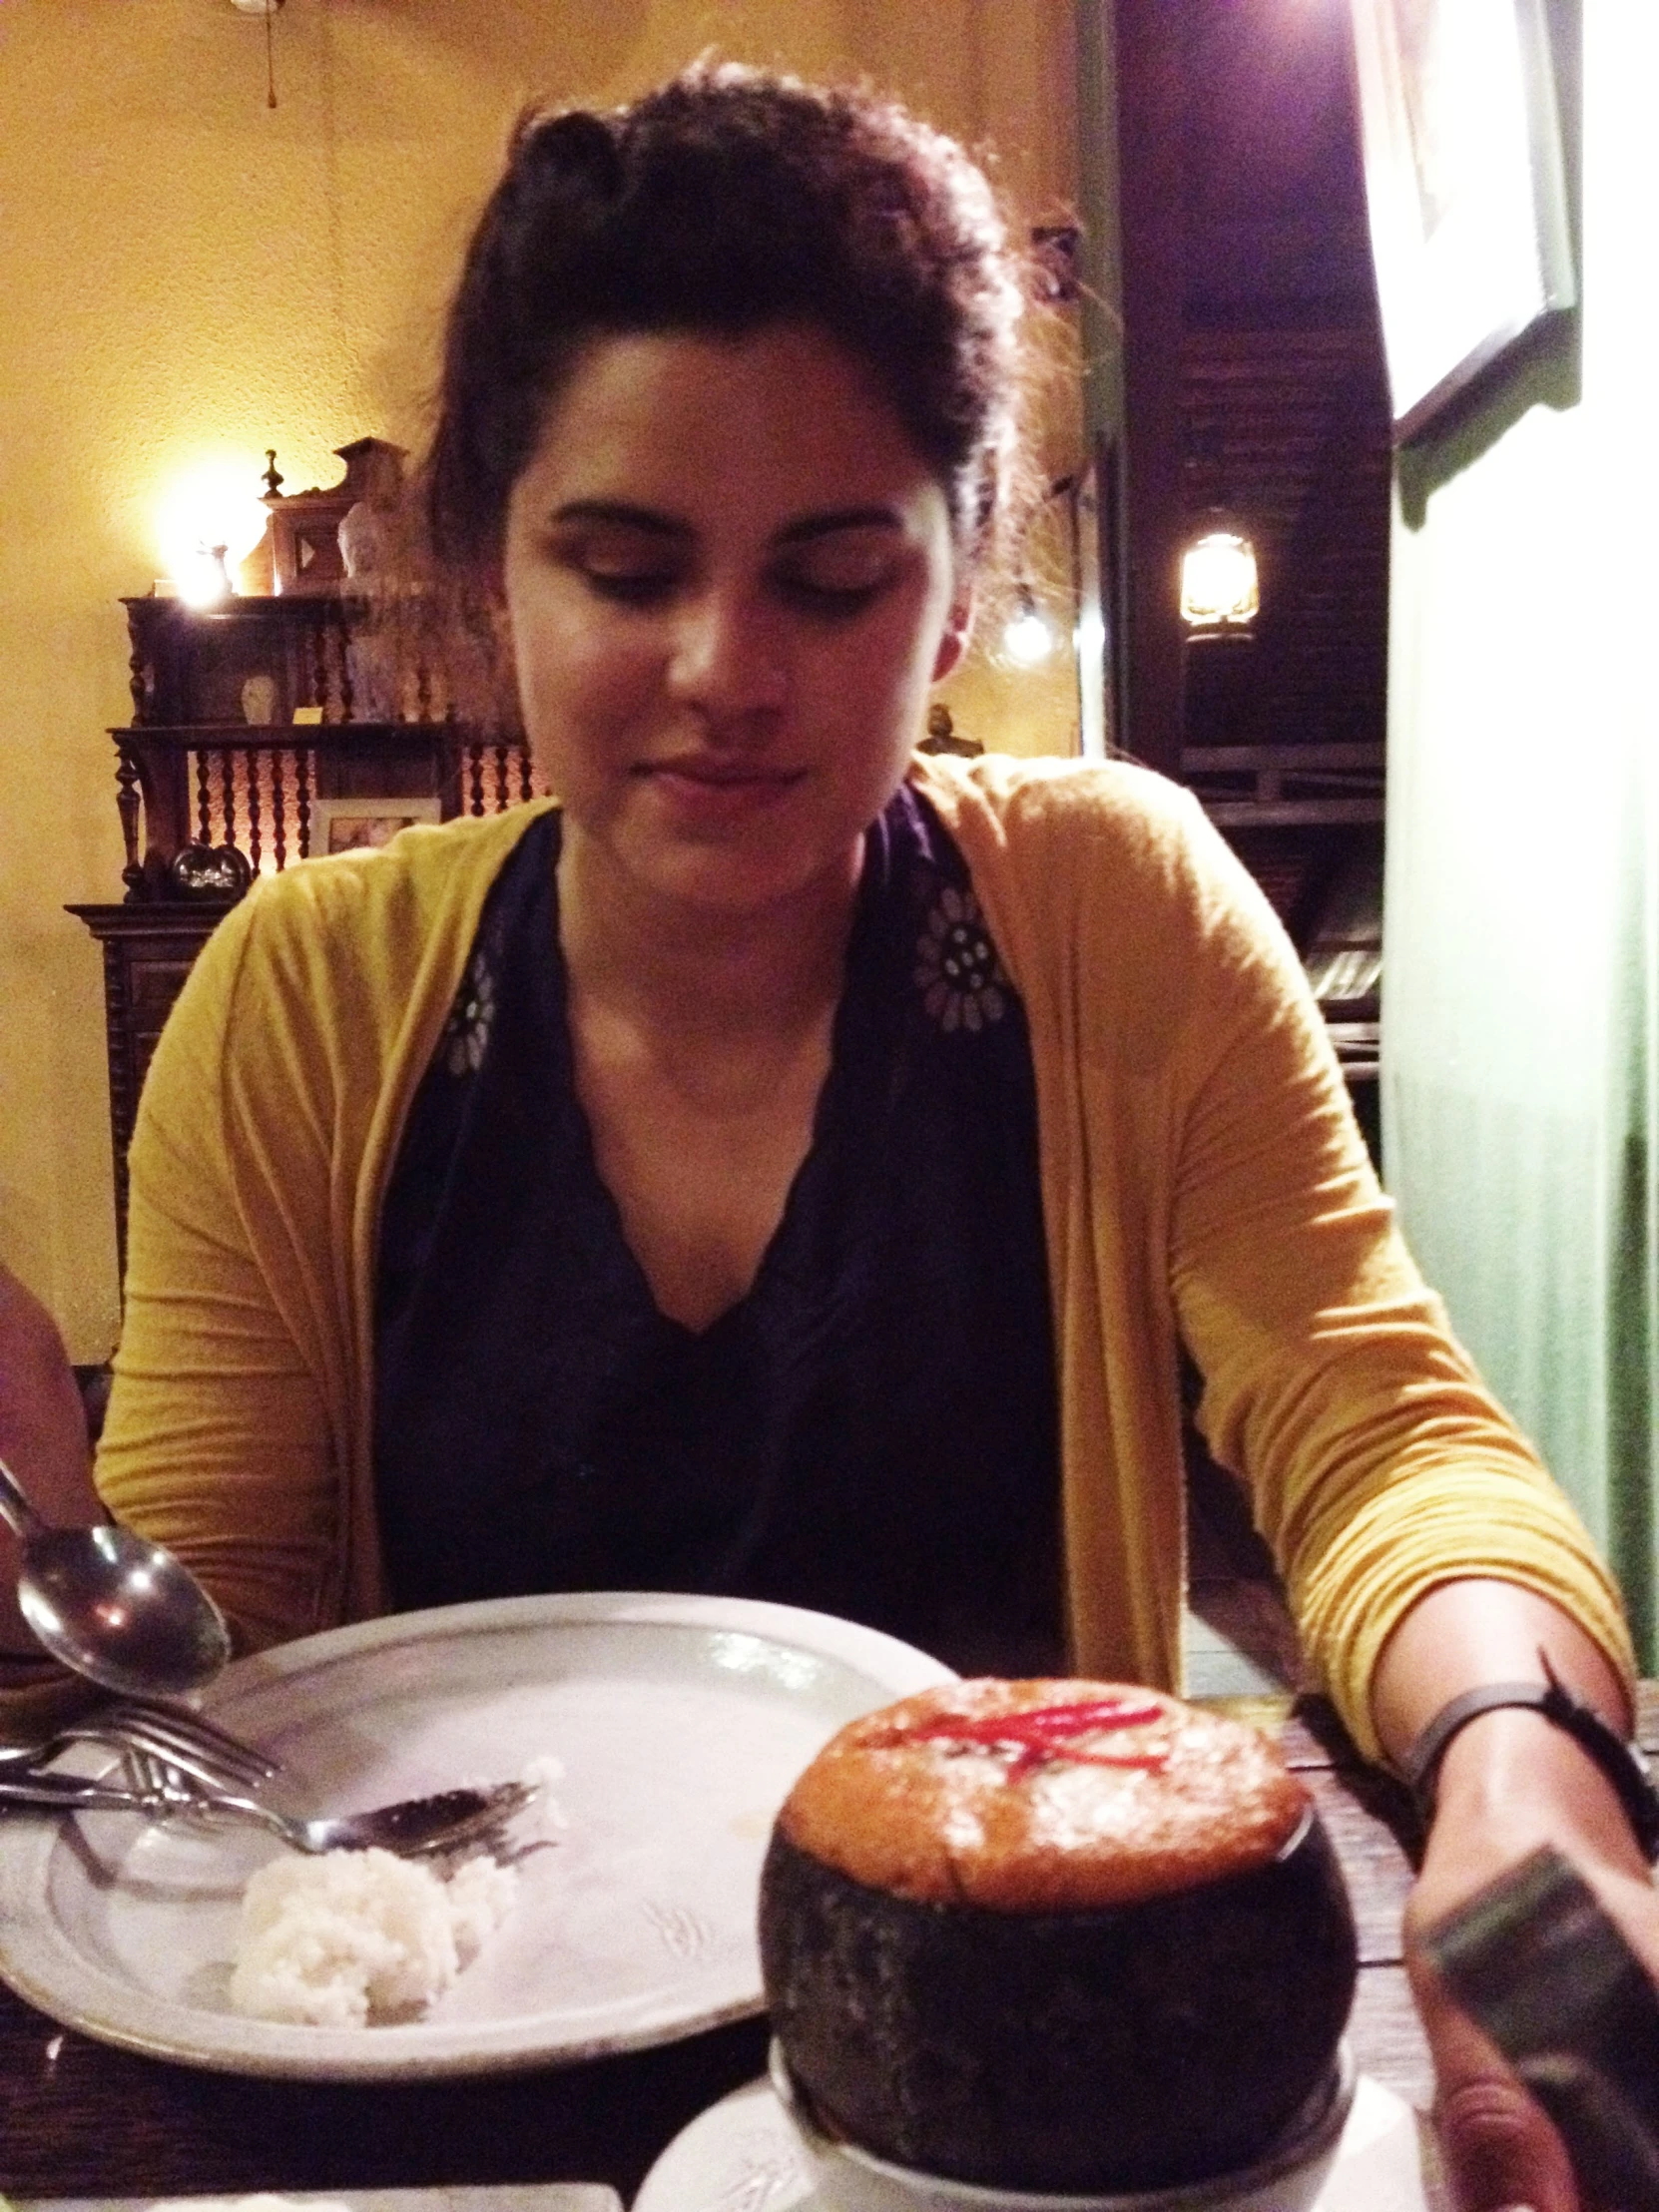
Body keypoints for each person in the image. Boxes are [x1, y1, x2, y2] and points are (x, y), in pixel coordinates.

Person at [2, 62, 1654, 2211]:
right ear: (492, 569)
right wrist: (52, 1604)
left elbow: (1378, 1433)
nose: (723, 669)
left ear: (958, 588)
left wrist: (1530, 1769)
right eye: (622, 565)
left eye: (834, 577)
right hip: (452, 2116)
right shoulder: (308, 1000)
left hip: (1009, 2111)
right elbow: (232, 1659)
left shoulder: (1115, 914)